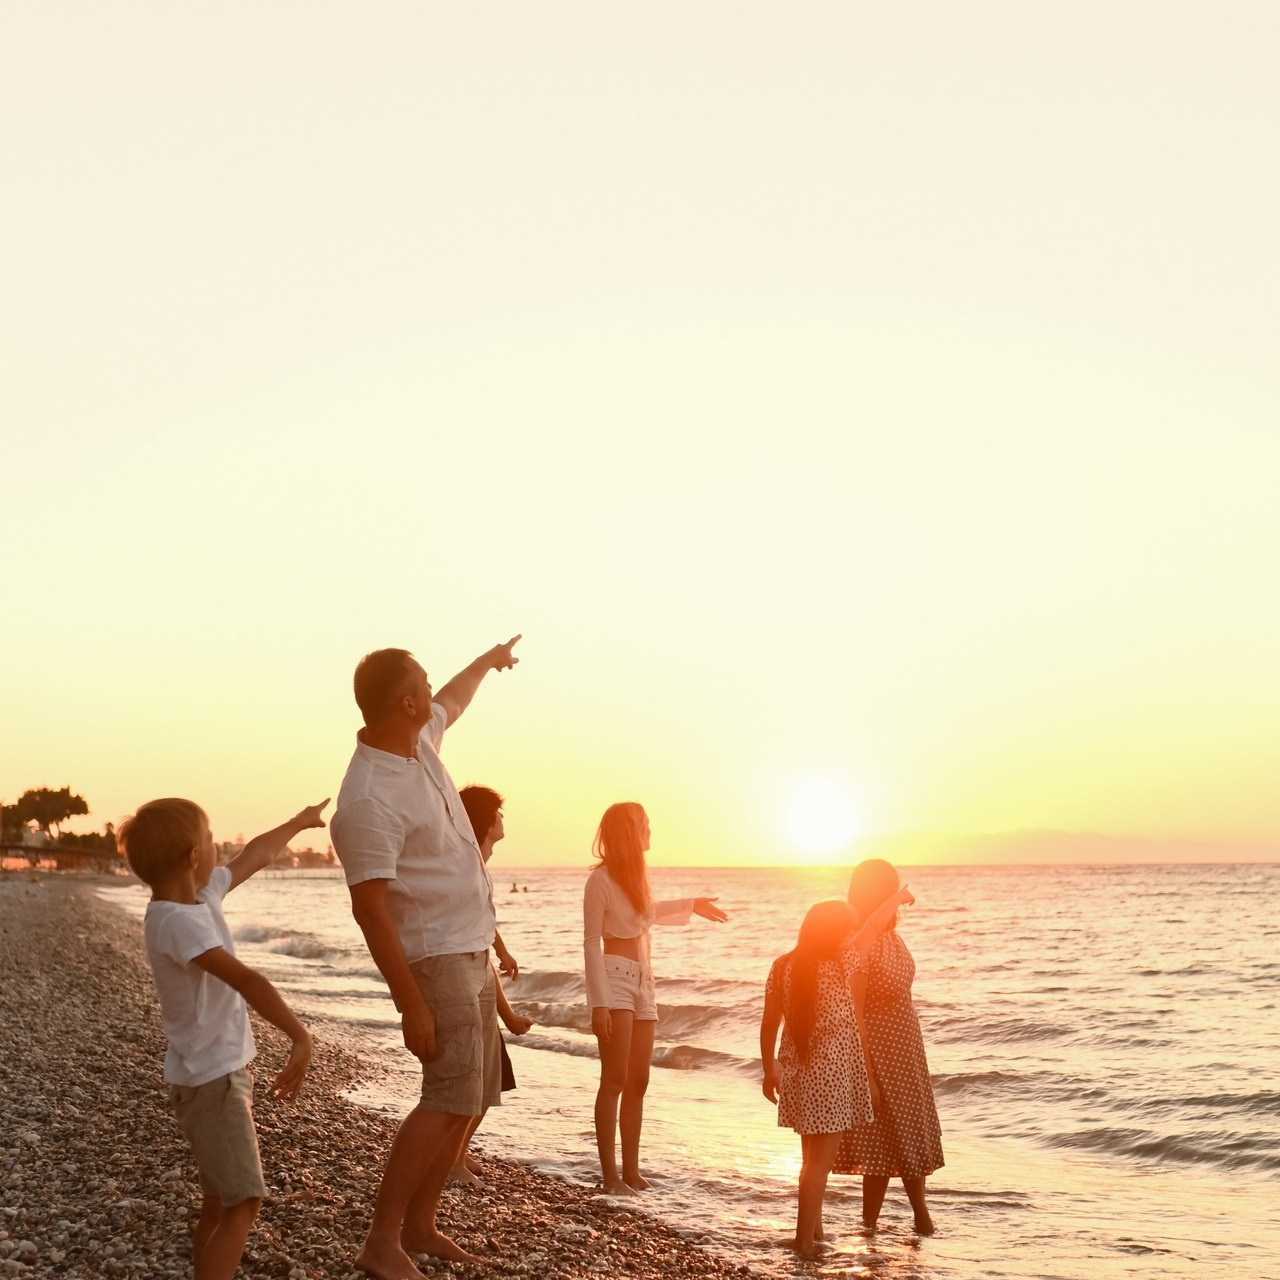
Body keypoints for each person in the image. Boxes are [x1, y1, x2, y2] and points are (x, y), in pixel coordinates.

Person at [330, 637, 520, 1280]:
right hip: (433, 963)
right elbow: (370, 911)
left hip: (470, 952)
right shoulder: (365, 799)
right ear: (406, 701)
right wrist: (410, 1004)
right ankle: (382, 1241)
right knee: (444, 1099)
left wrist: (489, 662)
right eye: (424, 683)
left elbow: (454, 701)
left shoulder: (420, 744)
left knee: (470, 1099)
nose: (434, 692)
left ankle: (421, 1224)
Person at [118, 797, 327, 1280]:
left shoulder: (198, 898)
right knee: (244, 1201)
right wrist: (299, 1035)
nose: (220, 847)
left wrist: (296, 822)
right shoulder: (177, 923)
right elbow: (247, 980)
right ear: (195, 856)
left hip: (211, 1076)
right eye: (212, 839)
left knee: (218, 1200)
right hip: (213, 1083)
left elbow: (256, 855)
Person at [583, 801, 728, 1195]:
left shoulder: (635, 876)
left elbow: (648, 911)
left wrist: (692, 904)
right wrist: (598, 1002)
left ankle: (632, 1172)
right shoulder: (599, 881)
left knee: (639, 1080)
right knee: (614, 1079)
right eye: (645, 825)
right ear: (630, 831)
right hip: (614, 982)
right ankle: (610, 1177)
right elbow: (591, 942)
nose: (650, 831)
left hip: (644, 982)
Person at [759, 888, 913, 1258]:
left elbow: (768, 1024)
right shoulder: (844, 960)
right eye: (848, 929)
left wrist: (769, 1071)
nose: (853, 934)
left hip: (798, 1075)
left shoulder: (783, 965)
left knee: (809, 1163)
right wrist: (895, 897)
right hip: (833, 1077)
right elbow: (874, 926)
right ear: (835, 933)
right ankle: (803, 1242)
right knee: (818, 1168)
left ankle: (815, 1231)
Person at [833, 858, 944, 1234]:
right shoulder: (857, 944)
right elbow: (855, 1014)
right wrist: (865, 1073)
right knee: (881, 1142)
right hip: (878, 1052)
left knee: (910, 1131)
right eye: (892, 891)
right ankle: (880, 1224)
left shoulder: (891, 938)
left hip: (907, 1050)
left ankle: (912, 1216)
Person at [448, 784, 535, 1184]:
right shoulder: (464, 862)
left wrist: (504, 950)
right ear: (486, 820)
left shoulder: (478, 862)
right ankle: (451, 1161)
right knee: (474, 1078)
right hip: (464, 975)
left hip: (480, 969)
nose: (504, 821)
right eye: (499, 813)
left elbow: (486, 919)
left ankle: (459, 1155)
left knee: (488, 1076)